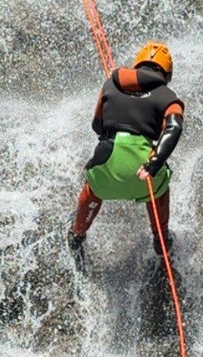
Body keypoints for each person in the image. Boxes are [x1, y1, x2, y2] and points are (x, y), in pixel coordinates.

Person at [67, 41, 185, 262]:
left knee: (92, 189)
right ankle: (161, 237)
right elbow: (174, 128)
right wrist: (154, 163)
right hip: (143, 171)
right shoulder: (169, 97)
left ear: (138, 63)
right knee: (160, 186)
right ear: (166, 73)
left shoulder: (110, 83)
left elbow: (97, 126)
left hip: (108, 159)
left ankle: (77, 234)